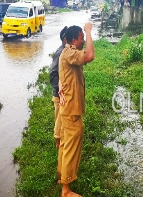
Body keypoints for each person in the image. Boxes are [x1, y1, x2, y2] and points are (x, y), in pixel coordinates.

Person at [57, 23, 95, 196]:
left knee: (65, 146)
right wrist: (88, 30)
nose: (84, 40)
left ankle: (62, 177)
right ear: (73, 40)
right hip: (71, 112)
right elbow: (90, 55)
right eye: (82, 38)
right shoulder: (70, 53)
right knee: (71, 149)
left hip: (69, 110)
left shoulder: (68, 53)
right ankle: (66, 190)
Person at [50, 26, 68, 149]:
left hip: (62, 94)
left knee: (61, 119)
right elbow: (53, 74)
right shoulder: (60, 52)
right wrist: (60, 91)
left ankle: (61, 144)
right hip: (59, 95)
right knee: (59, 120)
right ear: (65, 39)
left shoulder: (65, 51)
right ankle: (58, 145)